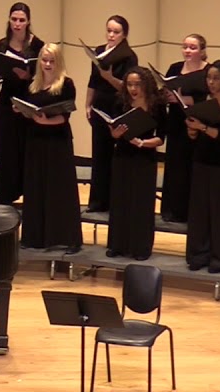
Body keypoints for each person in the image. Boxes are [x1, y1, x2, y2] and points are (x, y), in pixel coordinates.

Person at [19, 43, 81, 252]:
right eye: (44, 60)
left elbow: (64, 116)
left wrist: (45, 121)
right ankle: (35, 237)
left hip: (57, 143)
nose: (47, 64)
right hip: (36, 141)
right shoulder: (33, 85)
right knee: (36, 187)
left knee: (59, 189)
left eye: (51, 61)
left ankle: (65, 238)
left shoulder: (66, 84)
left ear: (58, 62)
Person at [185, 60, 220, 273]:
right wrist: (192, 130)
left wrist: (201, 126)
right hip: (201, 160)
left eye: (216, 78)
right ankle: (199, 254)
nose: (211, 82)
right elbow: (193, 135)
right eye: (208, 78)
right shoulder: (203, 102)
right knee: (200, 211)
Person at [106, 68, 166, 261]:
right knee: (120, 200)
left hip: (145, 158)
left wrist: (142, 143)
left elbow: (161, 138)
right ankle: (118, 245)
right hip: (122, 156)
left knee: (141, 203)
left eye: (137, 85)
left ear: (146, 85)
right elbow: (113, 129)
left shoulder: (156, 105)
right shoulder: (120, 102)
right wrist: (114, 134)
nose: (133, 89)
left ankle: (140, 247)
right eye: (129, 84)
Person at [0, 3, 43, 205]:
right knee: (7, 148)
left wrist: (27, 75)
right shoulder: (2, 44)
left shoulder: (37, 45)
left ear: (28, 21)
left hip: (29, 99)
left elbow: (43, 77)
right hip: (7, 101)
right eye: (14, 19)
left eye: (21, 20)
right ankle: (6, 194)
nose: (17, 24)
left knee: (27, 148)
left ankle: (29, 192)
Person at [84, 15, 138, 213]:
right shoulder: (99, 52)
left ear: (124, 35)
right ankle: (97, 201)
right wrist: (87, 104)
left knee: (116, 153)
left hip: (118, 105)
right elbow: (92, 80)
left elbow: (129, 87)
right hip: (100, 104)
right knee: (99, 153)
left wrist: (109, 77)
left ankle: (116, 201)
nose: (111, 35)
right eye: (109, 30)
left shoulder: (129, 56)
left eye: (116, 32)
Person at [159, 34, 209, 223]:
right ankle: (173, 210)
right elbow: (167, 89)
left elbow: (212, 99)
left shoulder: (208, 71)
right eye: (185, 47)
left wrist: (188, 100)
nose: (188, 50)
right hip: (176, 120)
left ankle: (191, 211)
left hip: (197, 121)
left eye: (193, 47)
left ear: (202, 51)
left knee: (192, 165)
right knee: (174, 165)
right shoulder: (174, 68)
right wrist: (166, 96)